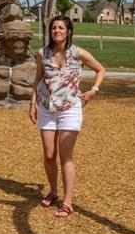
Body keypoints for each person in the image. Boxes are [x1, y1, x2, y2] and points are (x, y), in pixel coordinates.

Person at [29, 15, 105, 218]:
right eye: (54, 28)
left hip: (70, 108)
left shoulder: (77, 53)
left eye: (61, 28)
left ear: (68, 31)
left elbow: (100, 69)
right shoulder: (42, 53)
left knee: (65, 156)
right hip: (47, 108)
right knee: (49, 155)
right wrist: (32, 104)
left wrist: (93, 90)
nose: (57, 31)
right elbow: (38, 79)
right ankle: (53, 191)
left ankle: (68, 201)